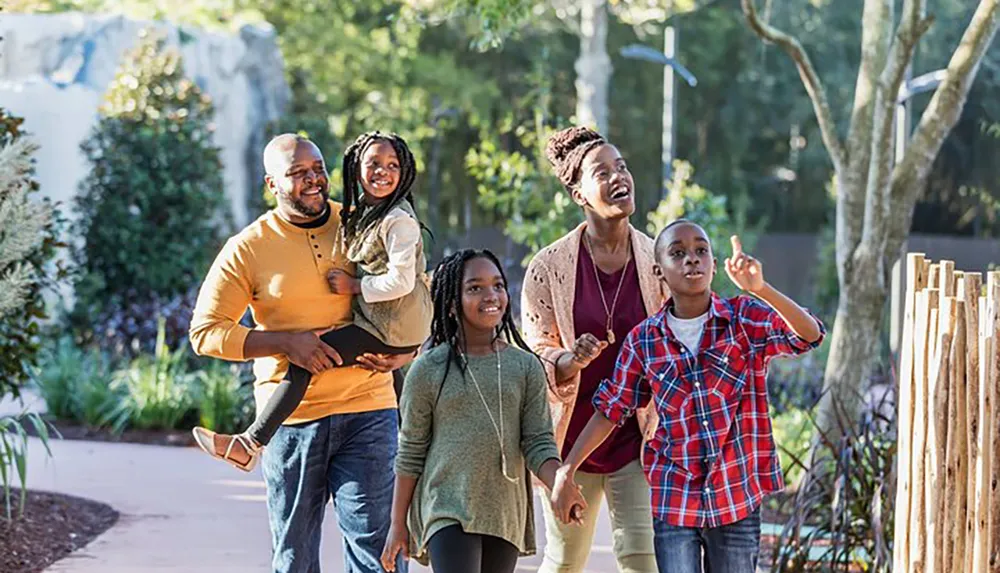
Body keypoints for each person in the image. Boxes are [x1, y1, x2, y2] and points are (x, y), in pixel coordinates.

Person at [189, 134, 412, 573]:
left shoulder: (362, 225)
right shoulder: (248, 247)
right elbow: (206, 332)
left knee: (379, 551)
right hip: (292, 423)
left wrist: (406, 351)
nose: (313, 180)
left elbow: (409, 295)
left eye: (317, 169)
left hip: (369, 408)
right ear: (272, 184)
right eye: (297, 174)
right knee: (295, 557)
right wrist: (285, 342)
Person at [552, 221, 826, 573]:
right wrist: (567, 469)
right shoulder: (644, 341)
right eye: (677, 253)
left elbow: (809, 335)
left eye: (701, 251)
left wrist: (761, 289)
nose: (691, 260)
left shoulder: (743, 319)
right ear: (658, 271)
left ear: (713, 262)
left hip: (735, 494)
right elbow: (610, 409)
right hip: (675, 496)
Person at [379, 249, 585, 573]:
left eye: (498, 285)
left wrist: (558, 480)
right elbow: (410, 451)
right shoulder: (428, 369)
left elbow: (538, 443)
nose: (491, 295)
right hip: (445, 506)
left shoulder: (525, 366)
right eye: (475, 288)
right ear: (451, 302)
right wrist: (396, 523)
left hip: (503, 509)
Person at [521, 125, 664, 572]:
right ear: (579, 194)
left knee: (642, 559)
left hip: (637, 439)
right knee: (565, 561)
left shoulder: (660, 261)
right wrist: (569, 359)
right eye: (602, 172)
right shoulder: (548, 267)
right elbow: (536, 351)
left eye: (621, 166)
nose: (619, 176)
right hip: (570, 442)